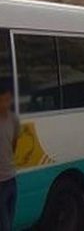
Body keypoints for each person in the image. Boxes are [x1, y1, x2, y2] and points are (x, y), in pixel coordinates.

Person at [0, 80, 19, 231]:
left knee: (9, 223)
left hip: (12, 179)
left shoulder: (14, 119)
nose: (6, 104)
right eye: (3, 100)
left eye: (8, 100)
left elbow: (13, 144)